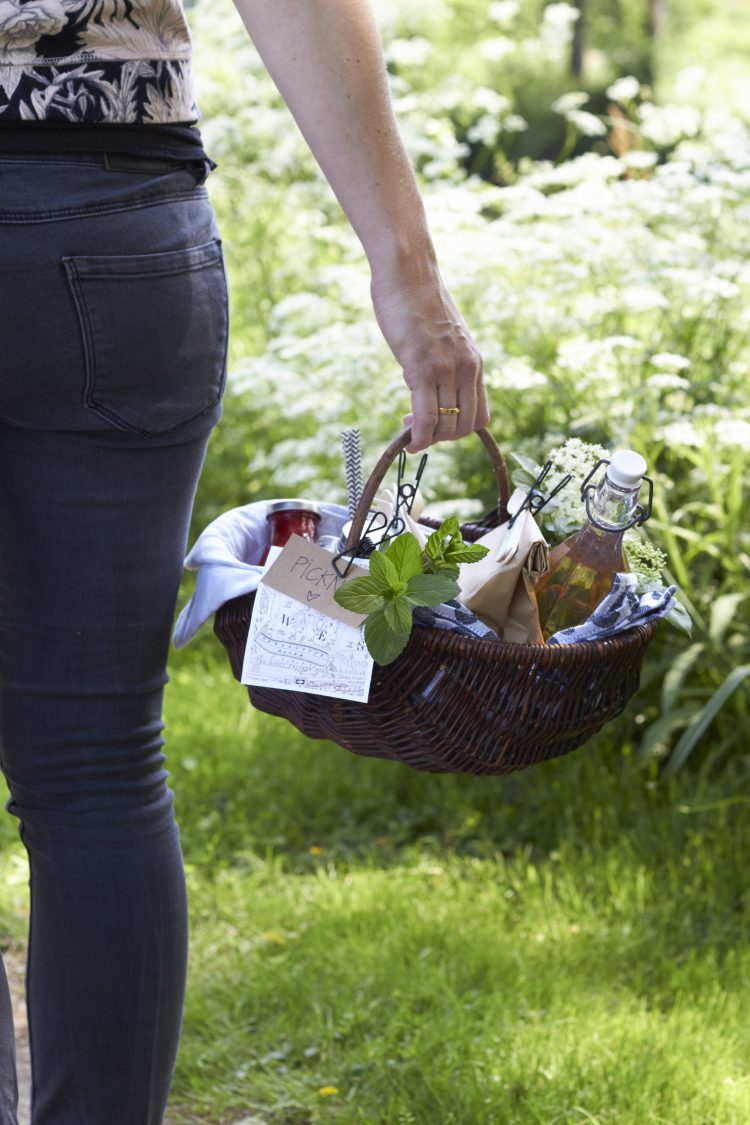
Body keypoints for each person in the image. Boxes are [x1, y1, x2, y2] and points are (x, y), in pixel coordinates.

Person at [0, 0, 490, 1120]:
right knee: (93, 768)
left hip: (111, 219)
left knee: (95, 770)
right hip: (112, 223)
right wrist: (407, 271)